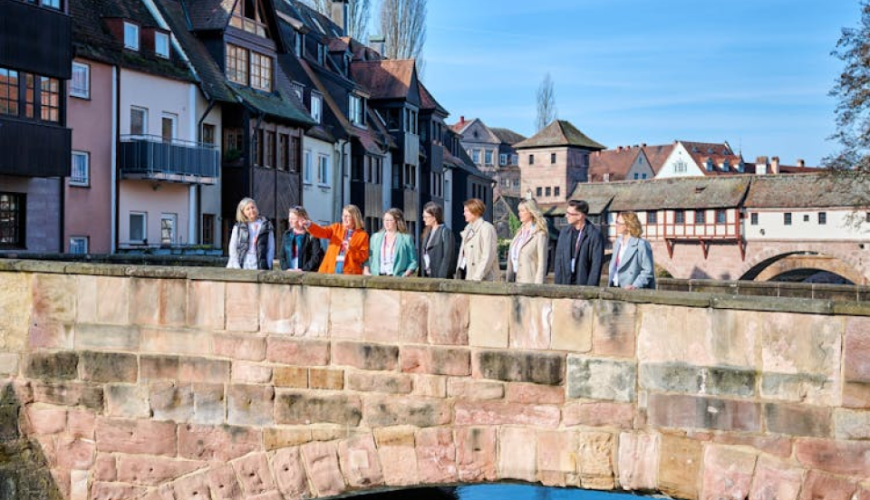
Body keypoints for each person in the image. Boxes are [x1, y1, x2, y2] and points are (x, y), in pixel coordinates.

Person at [305, 204, 369, 275]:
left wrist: (350, 249)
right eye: (343, 215)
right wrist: (309, 225)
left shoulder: (362, 235)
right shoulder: (336, 228)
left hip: (350, 273)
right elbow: (321, 231)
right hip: (329, 271)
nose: (344, 218)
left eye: (347, 216)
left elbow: (363, 256)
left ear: (355, 218)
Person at [554, 199, 604, 286]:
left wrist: (590, 290)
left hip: (584, 285)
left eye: (570, 214)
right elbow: (558, 261)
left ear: (579, 216)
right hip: (566, 284)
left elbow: (596, 266)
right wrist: (558, 286)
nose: (566, 216)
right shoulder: (564, 233)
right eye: (566, 213)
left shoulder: (594, 235)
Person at [364, 208, 418, 277]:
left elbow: (413, 261)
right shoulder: (375, 237)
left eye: (389, 220)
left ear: (397, 221)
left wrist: (406, 274)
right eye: (385, 220)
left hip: (397, 278)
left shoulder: (406, 238)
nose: (386, 223)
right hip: (377, 277)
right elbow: (369, 258)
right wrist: (366, 271)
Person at [506, 198, 549, 284]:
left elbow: (542, 263)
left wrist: (538, 286)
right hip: (513, 280)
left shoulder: (540, 234)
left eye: (522, 211)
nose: (519, 213)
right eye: (519, 211)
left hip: (529, 282)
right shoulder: (519, 233)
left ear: (531, 212)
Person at [609, 211, 656, 289]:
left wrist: (635, 285)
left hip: (631, 289)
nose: (616, 225)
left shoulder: (641, 244)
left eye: (619, 223)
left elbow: (648, 271)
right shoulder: (617, 242)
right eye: (616, 222)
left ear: (628, 226)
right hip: (614, 285)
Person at [456, 198, 499, 281]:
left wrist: (477, 277)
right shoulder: (467, 229)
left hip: (482, 279)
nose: (464, 214)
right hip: (468, 275)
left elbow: (488, 256)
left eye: (466, 211)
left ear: (475, 211)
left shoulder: (486, 228)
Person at [227, 197, 275, 270]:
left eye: (253, 207)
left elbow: (271, 247)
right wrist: (237, 265)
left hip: (260, 263)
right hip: (243, 263)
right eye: (248, 209)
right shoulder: (238, 227)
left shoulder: (266, 225)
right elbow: (232, 247)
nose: (251, 210)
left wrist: (268, 264)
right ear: (243, 212)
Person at [279, 206, 324, 272]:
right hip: (289, 273)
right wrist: (287, 269)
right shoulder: (287, 235)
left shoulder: (311, 235)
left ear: (301, 219)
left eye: (292, 218)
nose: (289, 221)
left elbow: (316, 257)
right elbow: (282, 256)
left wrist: (303, 270)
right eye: (289, 218)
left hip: (306, 274)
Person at [419, 202, 456, 278]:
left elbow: (448, 258)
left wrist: (441, 278)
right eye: (423, 216)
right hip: (427, 276)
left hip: (438, 278)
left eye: (426, 217)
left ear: (434, 217)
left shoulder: (445, 232)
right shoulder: (427, 232)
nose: (423, 219)